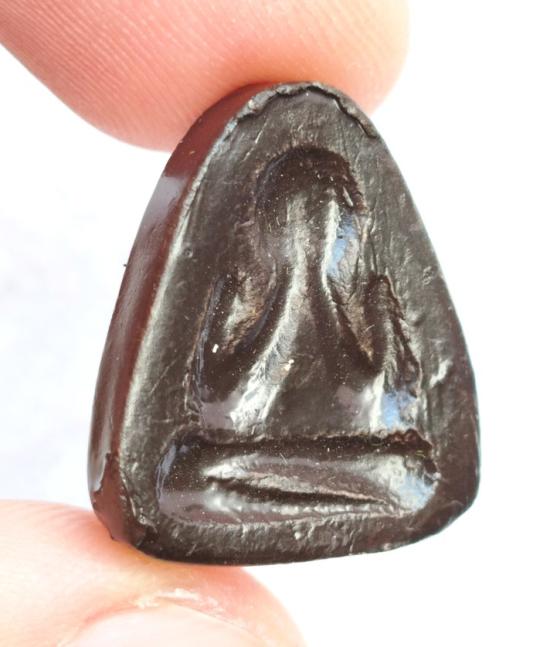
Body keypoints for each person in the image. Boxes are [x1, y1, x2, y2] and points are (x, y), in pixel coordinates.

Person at [0, 1, 408, 644]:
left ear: (348, 230)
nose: (311, 232)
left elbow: (382, 409)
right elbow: (219, 406)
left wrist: (329, 301)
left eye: (325, 219)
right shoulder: (244, 298)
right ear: (270, 228)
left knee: (403, 475)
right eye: (295, 219)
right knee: (189, 475)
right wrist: (283, 297)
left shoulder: (369, 301)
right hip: (235, 466)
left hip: (350, 469)